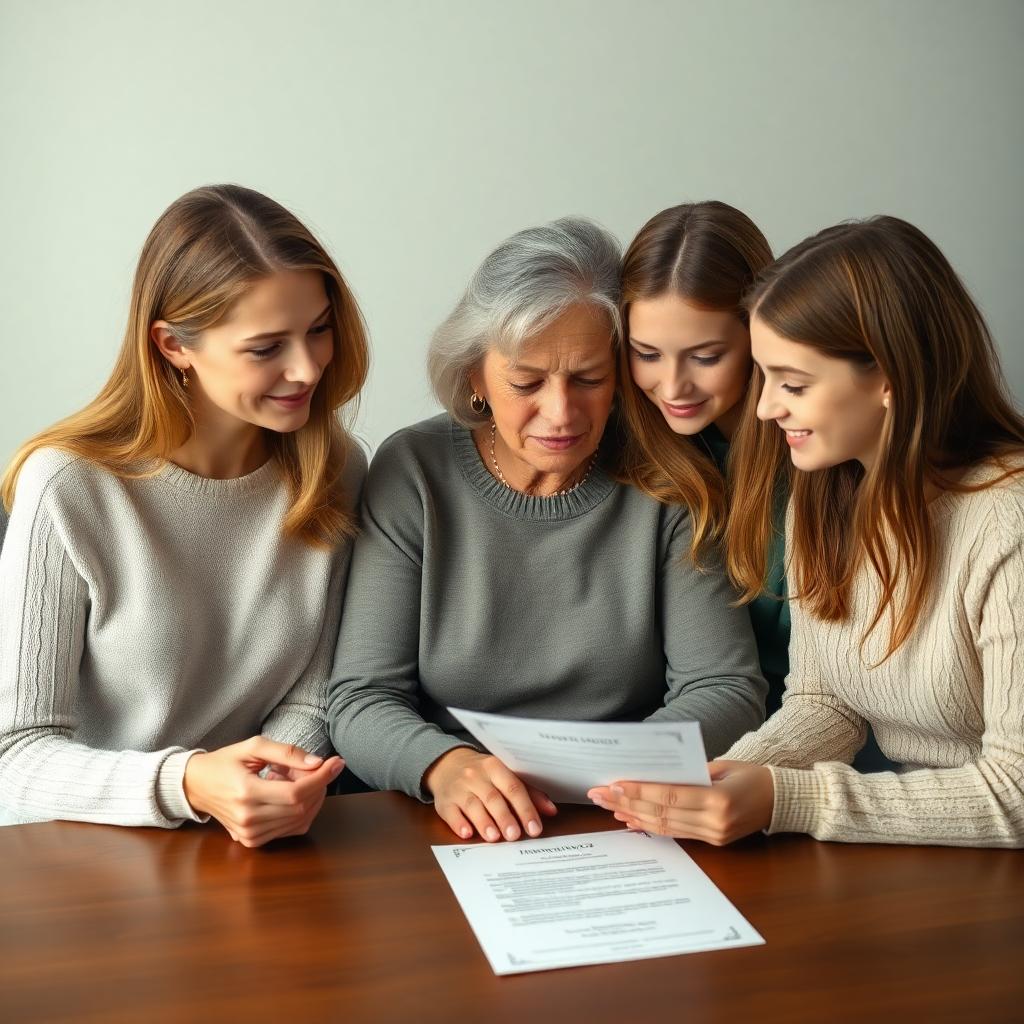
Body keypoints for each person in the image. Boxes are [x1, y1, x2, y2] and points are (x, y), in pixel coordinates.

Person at [327, 217, 767, 844]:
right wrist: (444, 767)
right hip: (448, 821)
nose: (561, 414)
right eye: (526, 382)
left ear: (619, 376)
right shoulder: (414, 472)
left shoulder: (667, 476)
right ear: (476, 376)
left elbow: (724, 686)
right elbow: (361, 697)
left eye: (588, 379)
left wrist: (620, 774)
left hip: (627, 815)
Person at [589, 215, 1024, 847]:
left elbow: (1015, 793)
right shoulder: (827, 489)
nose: (764, 408)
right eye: (765, 378)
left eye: (792, 384)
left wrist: (784, 796)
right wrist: (725, 776)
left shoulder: (1007, 522)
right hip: (927, 856)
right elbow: (826, 703)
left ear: (888, 379)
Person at [0, 184, 369, 846]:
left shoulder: (334, 472)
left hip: (256, 849)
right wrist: (191, 785)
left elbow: (314, 697)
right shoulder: (69, 485)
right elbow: (14, 757)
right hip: (88, 857)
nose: (308, 367)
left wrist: (265, 787)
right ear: (173, 346)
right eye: (266, 348)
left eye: (319, 329)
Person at [617, 202, 788, 710]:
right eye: (647, 354)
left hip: (814, 741)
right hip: (678, 731)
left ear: (759, 335)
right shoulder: (625, 446)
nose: (672, 386)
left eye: (706, 356)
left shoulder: (815, 449)